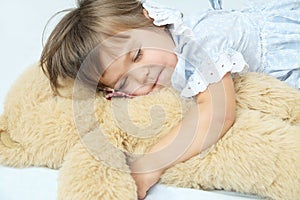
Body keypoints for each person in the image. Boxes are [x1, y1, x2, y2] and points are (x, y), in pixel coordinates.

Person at [40, 0, 300, 199]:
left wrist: (149, 165)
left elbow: (218, 113)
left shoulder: (205, 39)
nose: (142, 76)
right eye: (123, 82)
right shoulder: (170, 77)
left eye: (137, 55)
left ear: (151, 19)